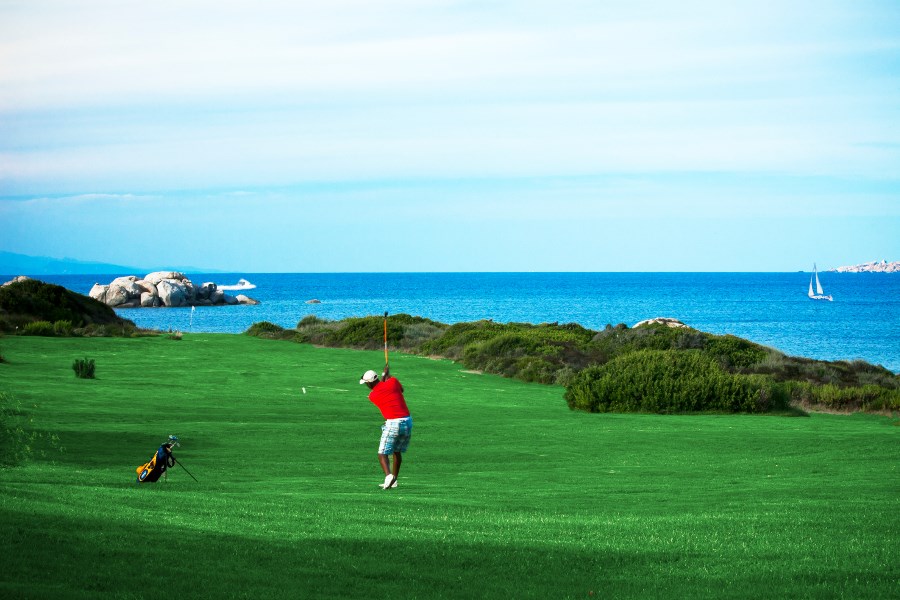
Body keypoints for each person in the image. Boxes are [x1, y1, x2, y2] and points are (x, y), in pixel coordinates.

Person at [360, 364, 412, 490]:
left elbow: (380, 388)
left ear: (369, 383)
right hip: (407, 422)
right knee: (396, 452)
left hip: (393, 423)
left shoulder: (373, 396)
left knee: (382, 453)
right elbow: (398, 389)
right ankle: (394, 480)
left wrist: (385, 376)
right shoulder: (393, 382)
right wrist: (387, 375)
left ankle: (388, 477)